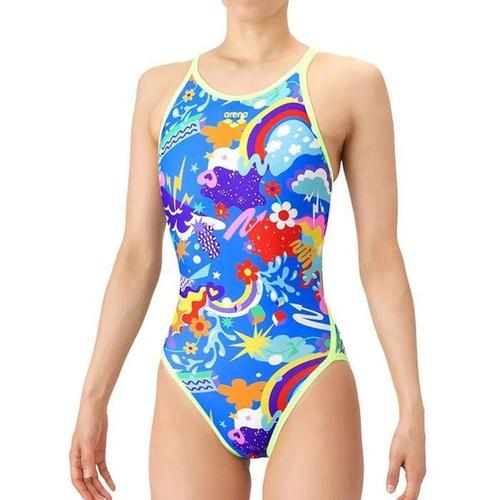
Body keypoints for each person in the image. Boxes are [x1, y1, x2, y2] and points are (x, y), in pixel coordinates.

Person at [69, 1, 426, 499]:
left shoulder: (349, 84)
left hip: (307, 374)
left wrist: (412, 406)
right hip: (192, 376)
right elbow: (137, 256)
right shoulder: (161, 91)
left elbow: (381, 257)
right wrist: (93, 398)